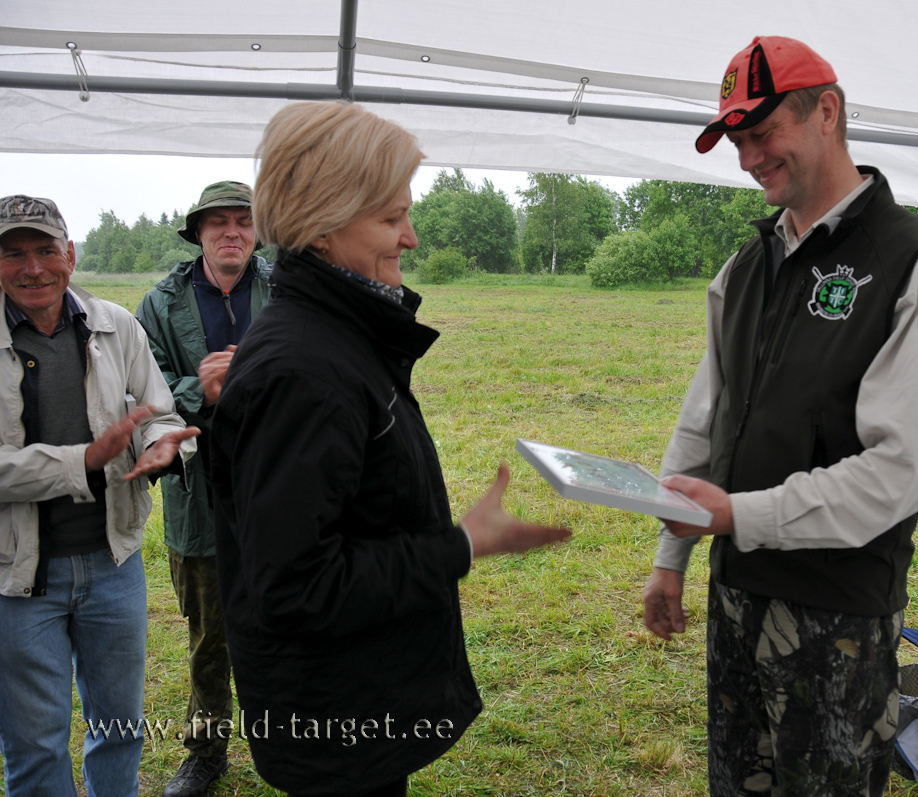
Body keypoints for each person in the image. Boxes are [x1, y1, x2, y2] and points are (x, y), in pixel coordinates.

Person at [640, 37, 918, 797]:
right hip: (737, 600)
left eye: (764, 134)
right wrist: (672, 557)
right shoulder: (745, 267)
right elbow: (708, 417)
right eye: (737, 141)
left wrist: (736, 514)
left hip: (837, 626)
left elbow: (897, 473)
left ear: (827, 112)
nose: (748, 158)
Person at [208, 100, 571, 797]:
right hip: (334, 718)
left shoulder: (336, 336)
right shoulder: (305, 369)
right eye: (388, 217)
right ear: (321, 222)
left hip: (354, 693)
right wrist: (461, 545)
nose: (409, 237)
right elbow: (295, 586)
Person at [0, 195, 199, 796]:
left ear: (71, 256)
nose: (33, 268)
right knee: (34, 743)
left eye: (46, 250)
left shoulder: (117, 326)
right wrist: (81, 461)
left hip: (114, 565)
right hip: (17, 578)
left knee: (118, 727)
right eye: (14, 254)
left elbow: (157, 413)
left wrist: (163, 446)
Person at [135, 180, 272, 797]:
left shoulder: (288, 290)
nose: (231, 233)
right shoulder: (160, 304)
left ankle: (293, 740)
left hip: (279, 484)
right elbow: (145, 387)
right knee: (209, 632)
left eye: (243, 221)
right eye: (217, 223)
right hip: (197, 490)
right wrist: (203, 390)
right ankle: (205, 751)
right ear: (198, 234)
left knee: (286, 620)